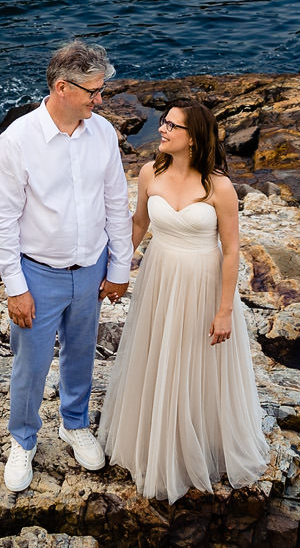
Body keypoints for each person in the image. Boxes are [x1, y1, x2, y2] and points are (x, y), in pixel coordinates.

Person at [97, 99, 269, 502]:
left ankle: (200, 441)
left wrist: (225, 310)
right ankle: (158, 439)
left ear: (193, 139)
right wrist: (117, 271)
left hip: (202, 283)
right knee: (159, 356)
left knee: (196, 364)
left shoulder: (219, 187)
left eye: (172, 126)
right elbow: (138, 223)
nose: (162, 130)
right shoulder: (148, 173)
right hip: (160, 278)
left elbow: (231, 251)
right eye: (163, 122)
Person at [0, 39, 132, 493]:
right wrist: (15, 287)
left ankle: (75, 424)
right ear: (61, 88)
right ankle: (23, 440)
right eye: (93, 91)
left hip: (91, 269)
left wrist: (119, 269)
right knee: (29, 365)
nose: (100, 99)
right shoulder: (17, 142)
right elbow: (2, 220)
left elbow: (116, 203)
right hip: (38, 274)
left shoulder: (103, 134)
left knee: (81, 354)